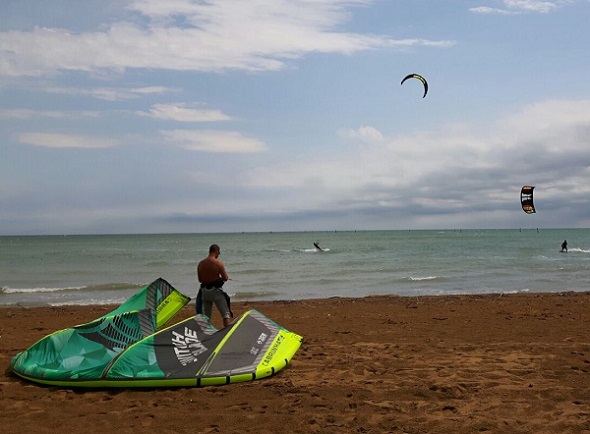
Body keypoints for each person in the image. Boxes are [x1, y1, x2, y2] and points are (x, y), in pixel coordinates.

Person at [196, 244, 233, 327]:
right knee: (225, 314)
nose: (219, 254)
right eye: (218, 252)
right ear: (216, 251)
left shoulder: (201, 264)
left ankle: (206, 335)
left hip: (205, 292)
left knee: (206, 317)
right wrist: (219, 277)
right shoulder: (218, 263)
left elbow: (200, 280)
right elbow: (225, 278)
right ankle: (227, 332)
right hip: (216, 292)